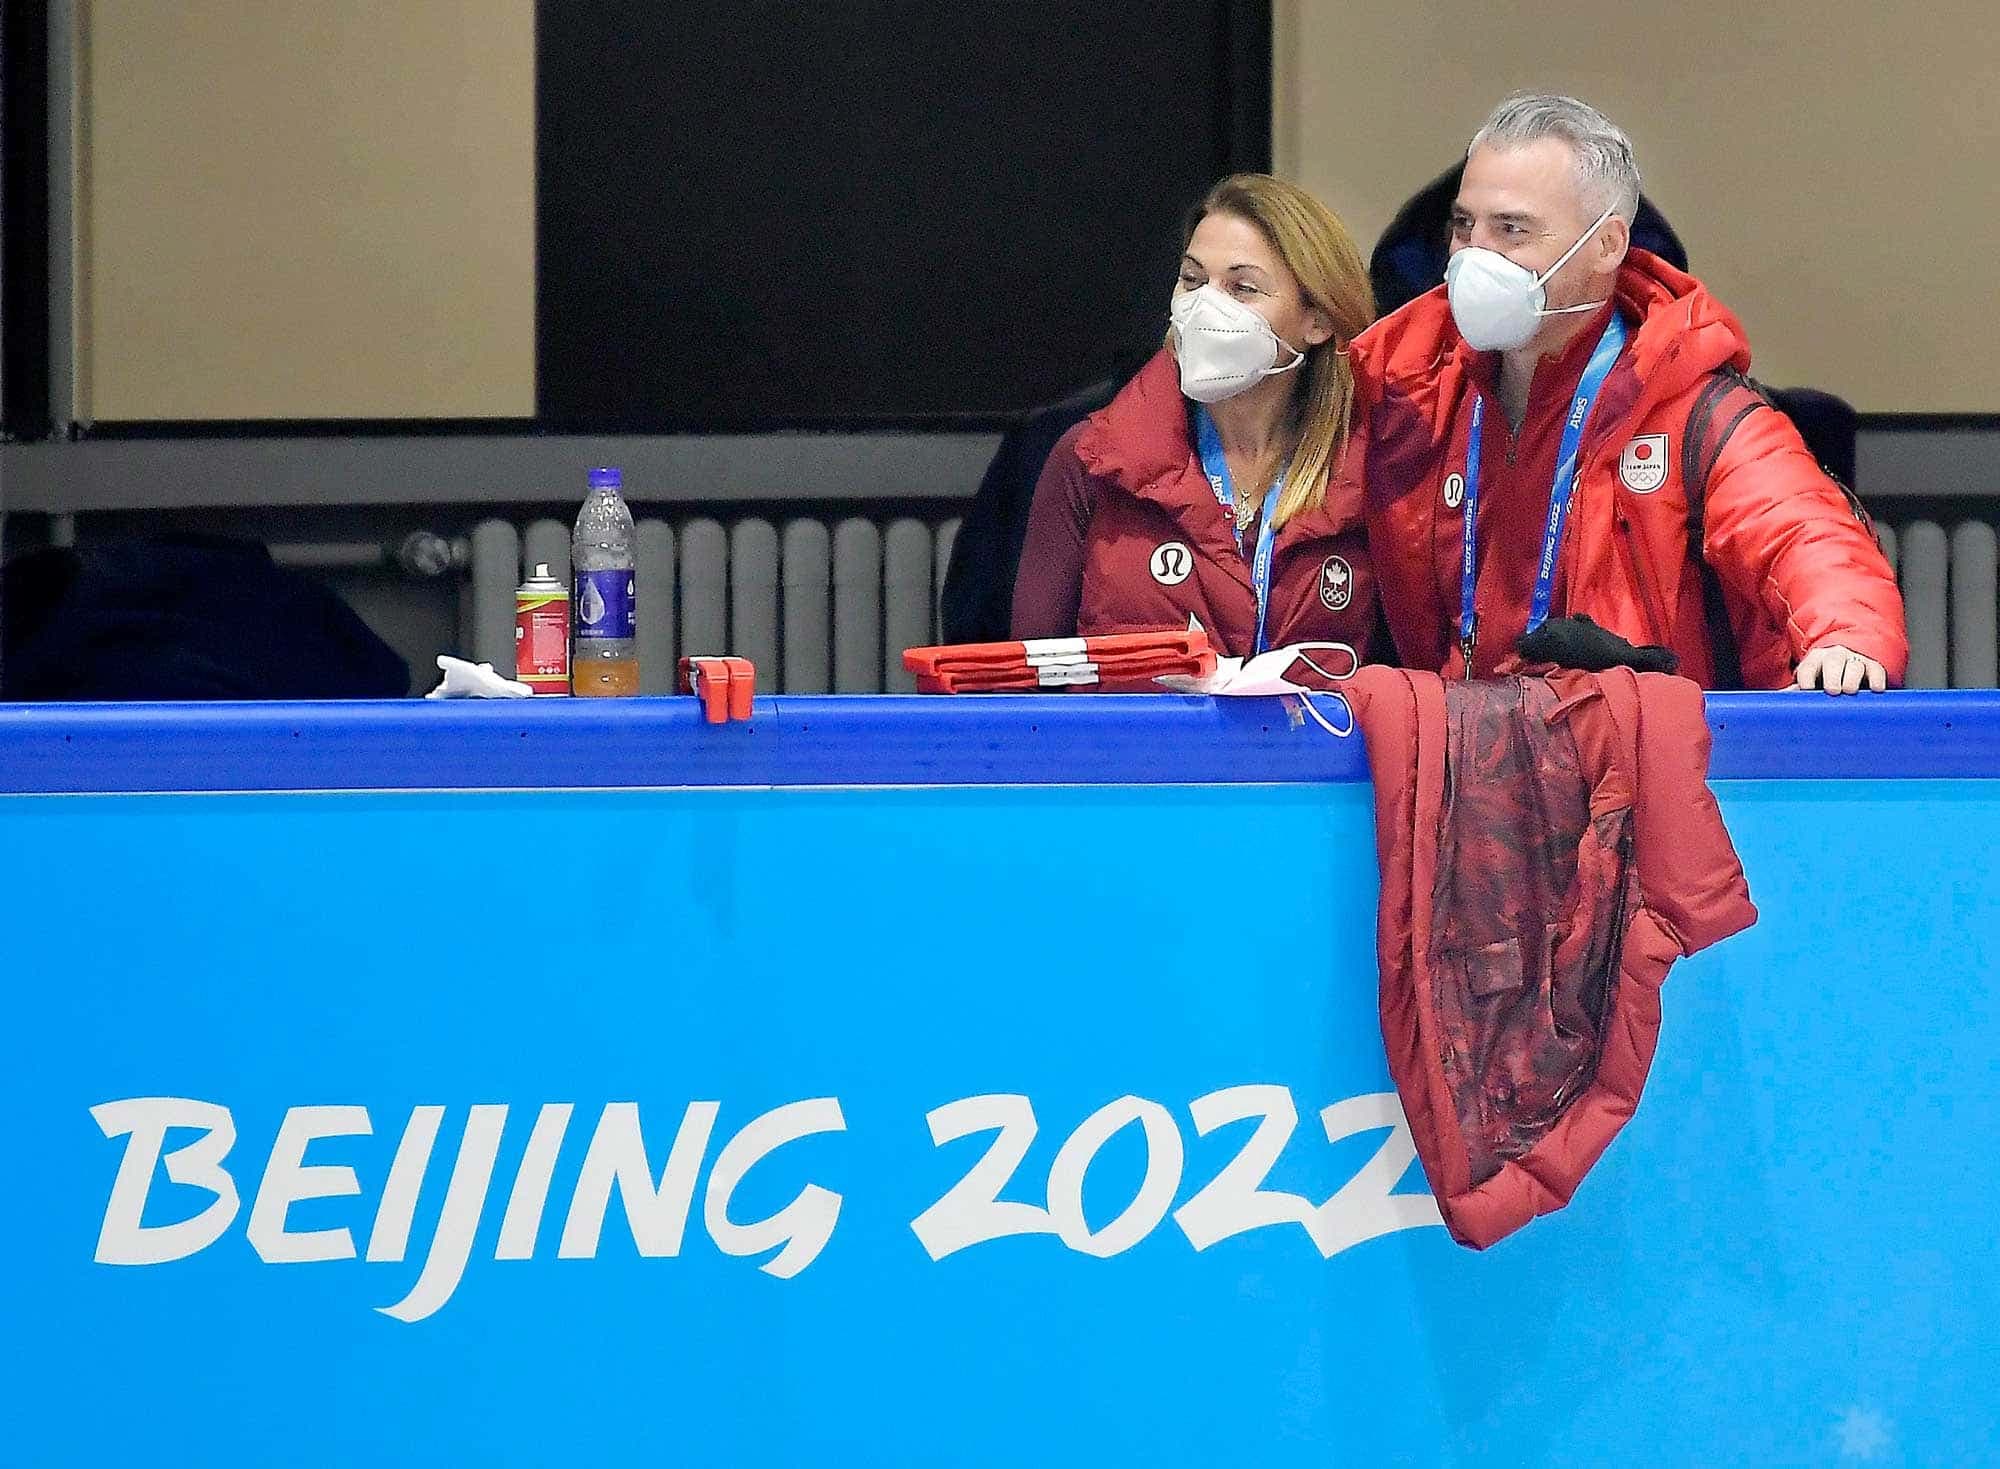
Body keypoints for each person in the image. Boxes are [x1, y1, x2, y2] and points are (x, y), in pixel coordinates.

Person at [1348, 94, 1907, 693]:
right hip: (1460, 761)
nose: (1474, 255)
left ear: (1608, 245)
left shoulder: (1691, 403)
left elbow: (1799, 529)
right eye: (1464, 225)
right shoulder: (1402, 386)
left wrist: (1847, 635)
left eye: (1512, 229)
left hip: (1641, 767)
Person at [1010, 174, 1378, 660]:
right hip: (1139, 740)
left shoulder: (1374, 468)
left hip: (1310, 737)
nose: (1206, 305)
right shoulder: (1090, 462)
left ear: (1317, 320)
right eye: (1193, 279)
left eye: (1242, 287)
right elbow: (1028, 685)